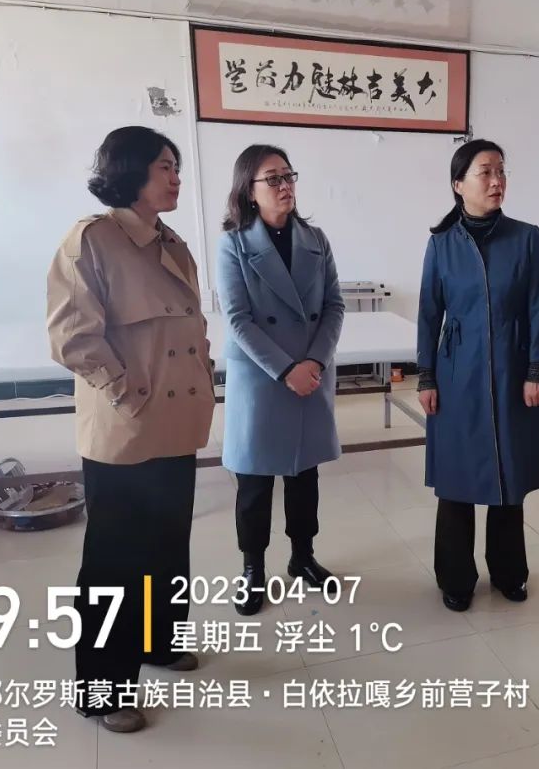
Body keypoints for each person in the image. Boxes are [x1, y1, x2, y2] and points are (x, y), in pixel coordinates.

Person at [46, 126, 216, 734]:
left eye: (176, 166)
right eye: (165, 166)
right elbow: (72, 338)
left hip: (177, 422)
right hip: (125, 427)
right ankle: (101, 691)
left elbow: (191, 328)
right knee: (114, 561)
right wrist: (128, 392)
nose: (176, 177)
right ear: (130, 171)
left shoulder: (171, 242)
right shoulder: (92, 240)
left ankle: (159, 641)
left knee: (168, 543)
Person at [416, 139, 539, 613]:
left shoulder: (526, 237)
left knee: (508, 473)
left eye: (501, 171)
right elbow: (428, 314)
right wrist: (426, 377)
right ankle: (455, 577)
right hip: (458, 372)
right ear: (459, 185)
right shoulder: (441, 244)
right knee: (457, 477)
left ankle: (509, 572)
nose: (497, 181)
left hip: (513, 368)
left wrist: (536, 369)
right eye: (485, 172)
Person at [216, 144, 344, 616]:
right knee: (254, 481)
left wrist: (314, 362)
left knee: (304, 474)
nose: (285, 185)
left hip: (310, 372)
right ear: (248, 190)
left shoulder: (316, 239)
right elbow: (237, 318)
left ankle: (302, 556)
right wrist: (286, 369)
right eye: (273, 178)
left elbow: (334, 306)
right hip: (262, 377)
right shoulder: (233, 243)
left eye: (289, 175)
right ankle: (253, 568)